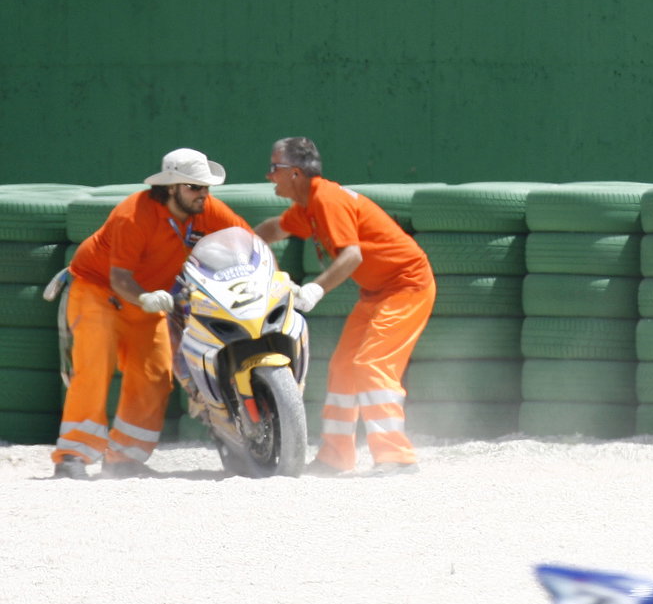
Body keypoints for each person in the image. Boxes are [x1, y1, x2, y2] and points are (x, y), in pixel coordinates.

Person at [50, 148, 251, 479]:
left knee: (156, 376)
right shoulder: (134, 215)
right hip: (99, 292)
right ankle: (72, 456)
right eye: (194, 187)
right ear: (171, 188)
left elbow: (245, 241)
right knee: (94, 367)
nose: (204, 194)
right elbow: (119, 278)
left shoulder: (207, 209)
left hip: (151, 299)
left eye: (206, 187)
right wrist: (145, 298)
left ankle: (124, 458)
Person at [254, 137, 435, 475]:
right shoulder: (307, 206)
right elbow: (274, 229)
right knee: (342, 367)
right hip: (378, 292)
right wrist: (245, 245)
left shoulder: (327, 200)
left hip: (407, 286)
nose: (269, 176)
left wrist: (315, 290)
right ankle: (335, 457)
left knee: (371, 364)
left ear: (294, 173)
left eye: (274, 168)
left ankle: (396, 457)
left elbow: (352, 256)